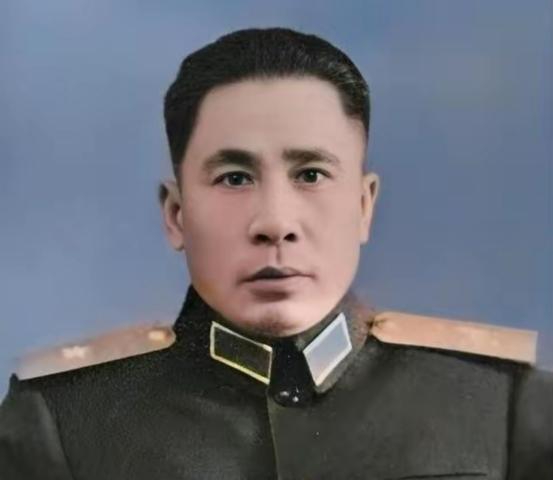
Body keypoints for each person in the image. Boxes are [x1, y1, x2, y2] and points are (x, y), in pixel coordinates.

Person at [0, 27, 551, 480]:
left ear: (363, 206)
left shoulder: (503, 404)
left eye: (311, 174)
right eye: (234, 177)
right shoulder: (61, 419)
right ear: (176, 214)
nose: (275, 224)